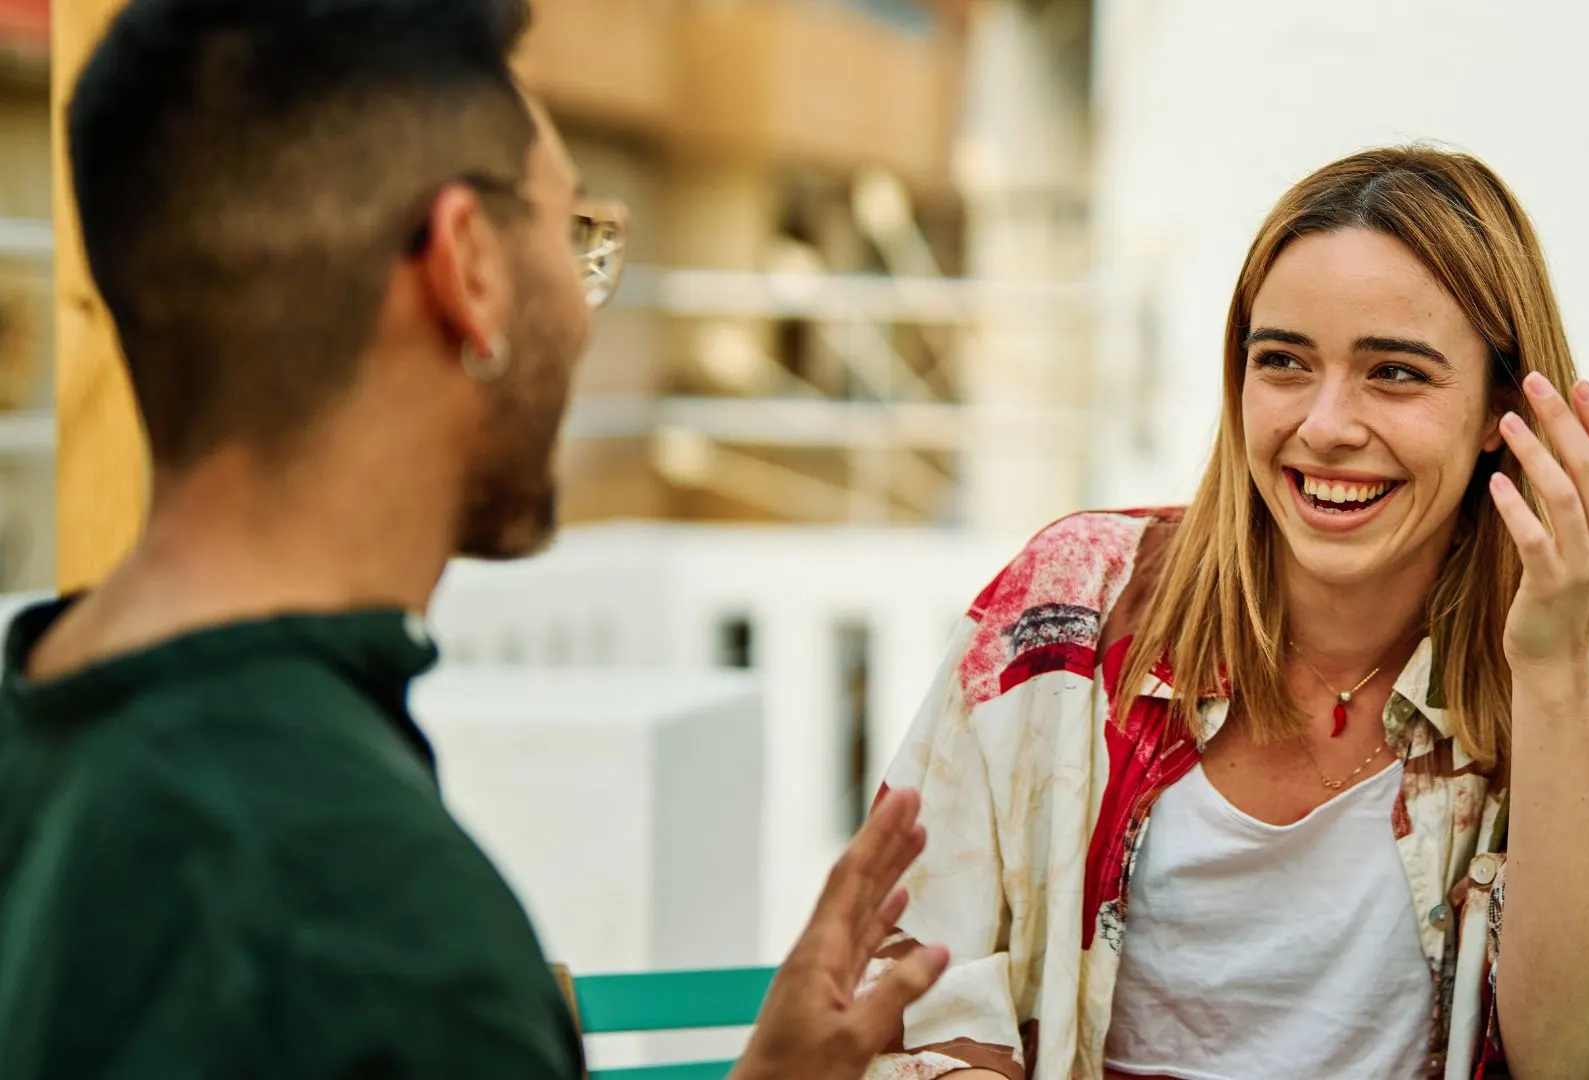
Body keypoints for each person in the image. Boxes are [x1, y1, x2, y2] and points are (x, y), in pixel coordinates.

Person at [0, 1, 947, 1077]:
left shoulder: (53, 743)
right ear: (468, 269)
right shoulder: (379, 934)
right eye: (574, 235)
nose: (587, 312)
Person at [863, 146, 1589, 1080]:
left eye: (1397, 373)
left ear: (1504, 407)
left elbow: (1575, 1063)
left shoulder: (1567, 649)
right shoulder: (1071, 606)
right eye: (1285, 362)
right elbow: (906, 990)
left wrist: (1551, 670)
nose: (1326, 424)